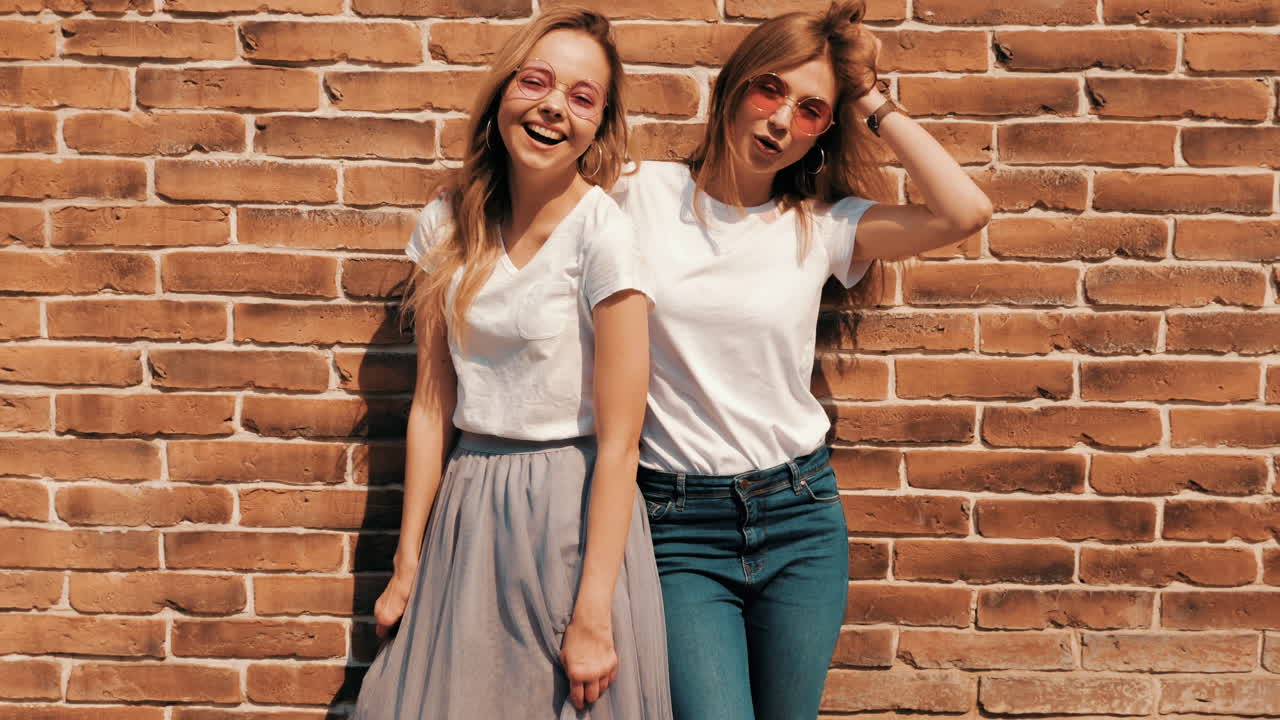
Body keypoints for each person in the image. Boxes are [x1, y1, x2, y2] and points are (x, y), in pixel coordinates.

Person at [612, 1, 993, 718]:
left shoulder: (821, 225)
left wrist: (869, 97)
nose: (782, 120)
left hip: (800, 516)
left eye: (811, 109)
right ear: (735, 85)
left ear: (823, 131)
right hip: (677, 524)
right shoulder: (638, 192)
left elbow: (964, 212)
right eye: (770, 90)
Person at [352, 8, 671, 719]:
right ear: (503, 92)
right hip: (468, 508)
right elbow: (431, 406)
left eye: (582, 97)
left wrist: (593, 613)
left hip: (571, 513)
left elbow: (622, 441)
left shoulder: (604, 235)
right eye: (536, 81)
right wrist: (408, 562)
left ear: (599, 125)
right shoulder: (446, 222)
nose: (554, 106)